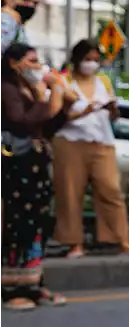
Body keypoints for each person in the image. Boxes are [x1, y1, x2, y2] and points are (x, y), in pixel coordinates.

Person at [52, 40, 129, 259]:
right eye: (87, 59)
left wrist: (112, 110)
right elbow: (56, 117)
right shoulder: (63, 81)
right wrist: (87, 110)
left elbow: (113, 116)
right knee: (70, 193)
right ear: (77, 59)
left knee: (111, 190)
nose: (91, 64)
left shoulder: (103, 81)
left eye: (95, 60)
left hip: (102, 142)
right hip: (70, 142)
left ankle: (122, 241)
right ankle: (75, 243)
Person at [0, 42, 68, 311]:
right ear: (14, 64)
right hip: (15, 164)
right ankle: (11, 287)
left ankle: (33, 283)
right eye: (31, 61)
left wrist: (56, 98)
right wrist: (46, 98)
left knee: (37, 224)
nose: (37, 67)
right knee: (17, 224)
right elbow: (21, 121)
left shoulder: (30, 88)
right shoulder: (7, 89)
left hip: (35, 163)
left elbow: (50, 124)